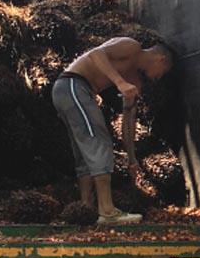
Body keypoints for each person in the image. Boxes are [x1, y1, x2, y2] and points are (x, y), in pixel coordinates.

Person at [52, 37, 173, 225]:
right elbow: (95, 54)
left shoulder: (134, 78)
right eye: (163, 73)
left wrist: (132, 158)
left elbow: (128, 119)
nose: (158, 78)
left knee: (86, 151)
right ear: (161, 60)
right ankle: (107, 211)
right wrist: (119, 82)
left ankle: (87, 209)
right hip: (73, 85)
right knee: (99, 142)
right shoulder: (132, 46)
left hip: (73, 92)